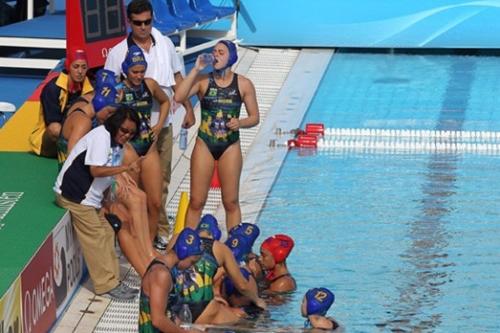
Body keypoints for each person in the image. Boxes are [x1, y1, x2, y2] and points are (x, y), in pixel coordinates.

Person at [104, 0, 195, 250]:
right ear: (129, 22)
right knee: (131, 188)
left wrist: (187, 107)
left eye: (147, 21)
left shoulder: (164, 43)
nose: (143, 27)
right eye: (138, 23)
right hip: (127, 136)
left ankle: (158, 233)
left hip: (160, 126)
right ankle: (131, 234)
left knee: (160, 183)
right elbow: (108, 92)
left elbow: (177, 78)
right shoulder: (117, 53)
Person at [54, 106, 141, 299]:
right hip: (74, 196)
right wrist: (125, 168)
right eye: (124, 130)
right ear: (116, 125)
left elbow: (106, 177)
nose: (126, 135)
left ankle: (114, 280)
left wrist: (104, 201)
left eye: (131, 133)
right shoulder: (101, 138)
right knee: (96, 237)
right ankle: (105, 285)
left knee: (108, 231)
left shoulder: (116, 143)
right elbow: (96, 170)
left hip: (90, 199)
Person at [174, 40, 260, 232]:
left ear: (231, 57)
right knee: (196, 201)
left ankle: (236, 245)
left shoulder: (244, 84)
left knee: (230, 201)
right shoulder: (203, 81)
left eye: (221, 52)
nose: (216, 55)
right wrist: (196, 69)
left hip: (230, 146)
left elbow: (255, 117)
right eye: (214, 51)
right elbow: (179, 97)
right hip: (205, 143)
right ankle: (188, 245)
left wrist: (241, 122)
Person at [119, 44, 170, 241]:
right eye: (135, 72)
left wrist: (158, 125)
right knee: (133, 201)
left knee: (155, 202)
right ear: (126, 70)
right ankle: (131, 241)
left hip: (148, 148)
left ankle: (147, 244)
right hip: (128, 149)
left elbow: (165, 101)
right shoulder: (119, 90)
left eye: (142, 71)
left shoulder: (150, 85)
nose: (139, 76)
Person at [168, 225, 267, 325]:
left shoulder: (177, 238)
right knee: (245, 321)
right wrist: (257, 300)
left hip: (175, 307)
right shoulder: (220, 248)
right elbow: (242, 285)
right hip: (204, 310)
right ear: (215, 236)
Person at [30, 48, 93, 157]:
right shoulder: (52, 89)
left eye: (84, 67)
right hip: (50, 140)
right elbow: (52, 123)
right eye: (76, 67)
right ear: (68, 67)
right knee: (55, 128)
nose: (80, 71)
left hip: (76, 131)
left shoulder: (90, 87)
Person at [139, 228, 203, 333]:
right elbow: (158, 320)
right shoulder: (161, 274)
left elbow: (167, 312)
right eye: (192, 262)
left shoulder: (164, 267)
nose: (190, 267)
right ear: (183, 254)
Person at [57, 69, 122, 167]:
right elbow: (72, 158)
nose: (110, 117)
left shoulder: (87, 115)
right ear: (100, 105)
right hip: (72, 178)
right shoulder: (84, 122)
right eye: (109, 112)